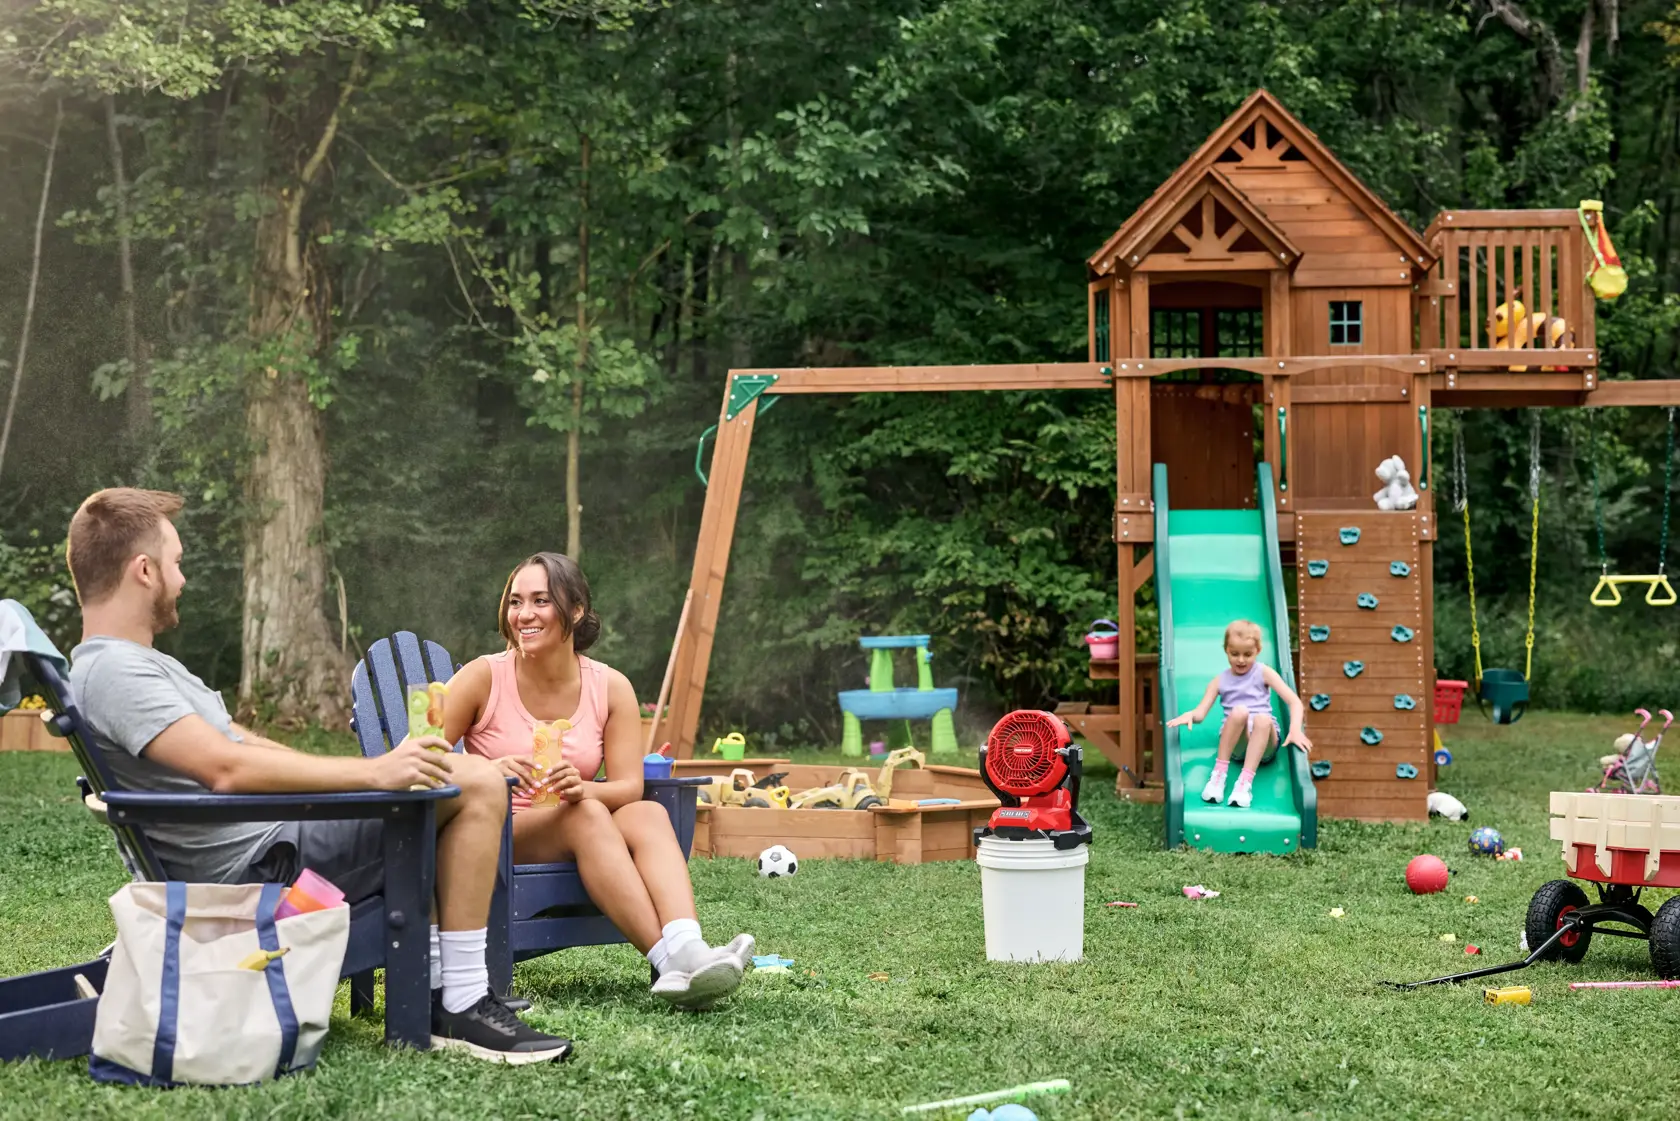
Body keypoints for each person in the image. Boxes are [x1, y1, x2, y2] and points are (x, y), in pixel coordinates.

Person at [64, 488, 571, 1065]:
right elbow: (224, 768)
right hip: (254, 869)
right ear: (145, 570)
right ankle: (459, 1000)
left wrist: (357, 780)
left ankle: (446, 990)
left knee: (448, 779)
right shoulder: (114, 671)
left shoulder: (137, 663)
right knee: (475, 781)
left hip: (267, 838)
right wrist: (373, 774)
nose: (182, 579)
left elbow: (233, 738)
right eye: (177, 563)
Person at [443, 552, 753, 1011]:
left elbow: (628, 786)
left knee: (647, 812)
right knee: (585, 816)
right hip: (496, 831)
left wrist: (582, 788)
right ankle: (671, 962)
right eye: (515, 602)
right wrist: (485, 771)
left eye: (540, 600)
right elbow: (418, 760)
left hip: (573, 821)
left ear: (576, 610)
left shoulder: (609, 687)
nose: (523, 614)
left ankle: (689, 946)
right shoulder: (483, 678)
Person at [1165, 619, 1312, 808]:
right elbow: (1201, 713)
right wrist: (1191, 715)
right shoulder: (1219, 681)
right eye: (1234, 654)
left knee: (1262, 718)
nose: (1241, 660)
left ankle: (1244, 784)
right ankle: (1219, 776)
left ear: (1258, 651)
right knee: (1239, 711)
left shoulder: (1264, 672)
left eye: (1248, 654)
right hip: (1237, 744)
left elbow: (1294, 702)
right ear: (1226, 650)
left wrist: (1295, 730)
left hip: (1264, 742)